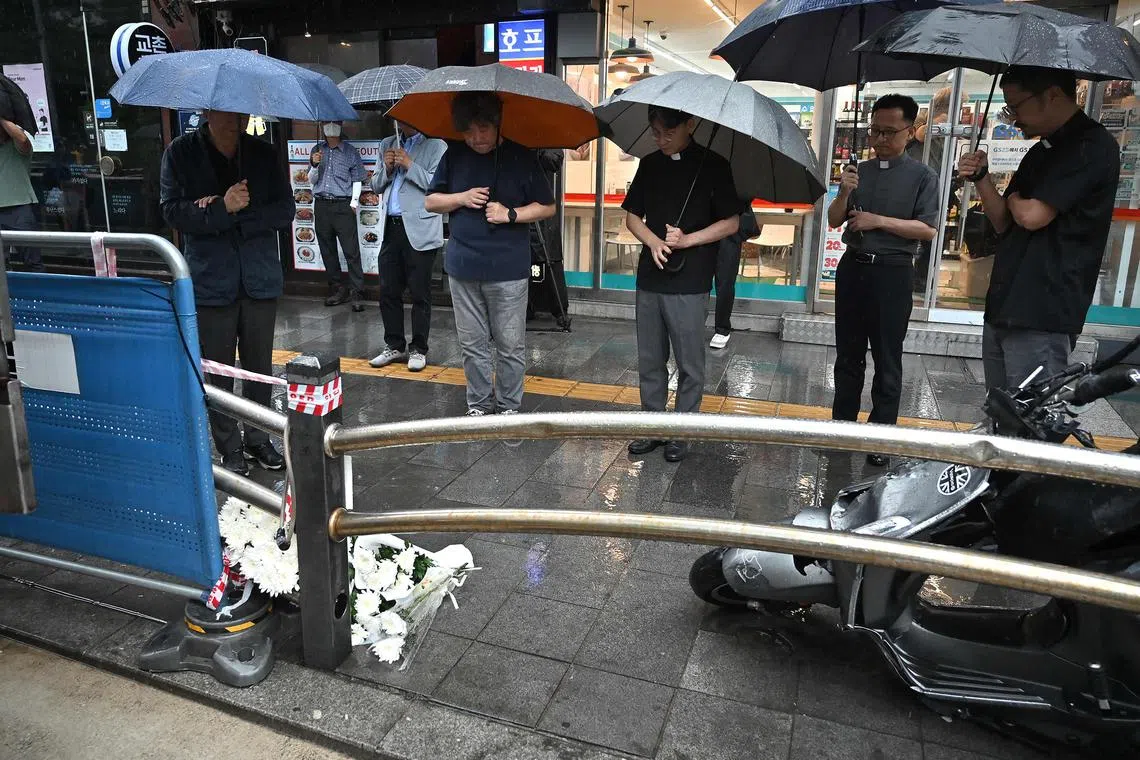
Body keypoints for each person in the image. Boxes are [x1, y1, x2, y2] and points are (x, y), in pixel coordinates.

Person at [959, 67, 1120, 393]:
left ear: (1052, 95)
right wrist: (981, 178)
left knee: (1031, 415)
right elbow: (1004, 221)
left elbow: (1032, 216)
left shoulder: (1090, 145)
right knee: (1000, 410)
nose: (1013, 119)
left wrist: (1015, 200)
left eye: (1015, 106)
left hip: (1042, 311)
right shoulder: (1039, 150)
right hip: (1006, 303)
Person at [160, 110, 294, 475]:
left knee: (259, 367)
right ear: (207, 111)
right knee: (217, 369)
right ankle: (229, 445)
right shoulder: (180, 153)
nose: (236, 118)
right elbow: (172, 212)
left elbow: (285, 210)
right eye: (227, 111)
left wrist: (238, 212)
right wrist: (222, 207)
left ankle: (258, 437)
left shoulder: (263, 153)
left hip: (258, 277)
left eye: (241, 111)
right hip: (211, 280)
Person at [424, 92, 555, 418]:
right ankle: (479, 404)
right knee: (472, 344)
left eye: (483, 129)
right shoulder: (454, 154)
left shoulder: (521, 157)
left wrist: (510, 214)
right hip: (462, 267)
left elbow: (547, 206)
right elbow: (431, 201)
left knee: (510, 344)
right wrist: (462, 197)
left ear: (497, 124)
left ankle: (509, 406)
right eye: (468, 131)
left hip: (508, 270)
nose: (476, 138)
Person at [623, 106, 741, 463]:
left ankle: (683, 430)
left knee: (690, 362)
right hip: (651, 275)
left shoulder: (715, 165)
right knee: (650, 358)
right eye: (655, 132)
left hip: (691, 279)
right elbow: (632, 216)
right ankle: (653, 427)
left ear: (690, 124)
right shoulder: (650, 164)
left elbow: (731, 223)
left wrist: (688, 239)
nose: (661, 140)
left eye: (668, 132)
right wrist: (652, 241)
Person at [828, 94, 939, 467]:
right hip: (853, 269)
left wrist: (878, 221)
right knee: (847, 356)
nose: (880, 139)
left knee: (888, 357)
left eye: (889, 132)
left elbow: (927, 229)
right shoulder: (859, 171)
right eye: (874, 131)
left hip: (892, 272)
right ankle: (841, 430)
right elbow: (834, 220)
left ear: (909, 131)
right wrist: (844, 191)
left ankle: (881, 436)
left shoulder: (923, 176)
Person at [368, 122, 447, 372]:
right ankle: (394, 344)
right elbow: (375, 185)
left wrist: (410, 165)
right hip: (391, 227)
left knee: (419, 292)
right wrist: (388, 168)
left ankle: (419, 348)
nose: (400, 121)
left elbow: (438, 184)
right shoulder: (387, 144)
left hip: (420, 228)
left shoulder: (436, 146)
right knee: (388, 290)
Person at [310, 120, 367, 312]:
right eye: (327, 122)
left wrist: (354, 202)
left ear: (341, 126)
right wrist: (314, 165)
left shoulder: (350, 152)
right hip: (321, 204)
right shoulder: (317, 149)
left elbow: (358, 179)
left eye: (335, 122)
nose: (331, 125)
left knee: (351, 250)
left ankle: (357, 291)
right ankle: (337, 288)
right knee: (327, 249)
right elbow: (312, 180)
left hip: (343, 204)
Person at [709, 208, 759, 349]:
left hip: (728, 233)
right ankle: (695, 324)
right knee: (699, 281)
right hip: (703, 230)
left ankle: (722, 329)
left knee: (725, 282)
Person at [0, 117, 42, 272]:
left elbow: (23, 140)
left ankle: (38, 288)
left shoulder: (17, 145)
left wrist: (2, 116)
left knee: (32, 261)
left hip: (19, 207)